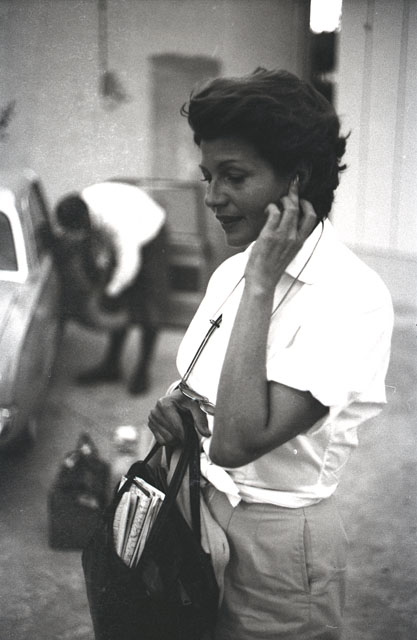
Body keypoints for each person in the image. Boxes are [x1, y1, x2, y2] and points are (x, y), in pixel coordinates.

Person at [147, 68, 393, 639]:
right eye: (208, 177)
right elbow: (201, 395)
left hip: (279, 546)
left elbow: (236, 442)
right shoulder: (232, 271)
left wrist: (261, 285)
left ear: (296, 179)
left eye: (234, 177)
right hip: (197, 513)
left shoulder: (351, 296)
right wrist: (176, 410)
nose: (213, 197)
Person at [54, 181, 168, 394]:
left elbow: (129, 261)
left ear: (84, 219)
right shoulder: (83, 207)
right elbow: (98, 244)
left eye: (79, 230)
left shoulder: (115, 222)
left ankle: (142, 370)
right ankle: (111, 366)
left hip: (149, 232)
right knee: (119, 303)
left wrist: (112, 290)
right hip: (125, 231)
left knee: (149, 305)